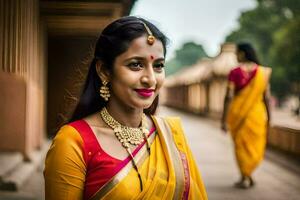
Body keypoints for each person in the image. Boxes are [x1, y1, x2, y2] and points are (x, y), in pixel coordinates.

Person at [44, 16, 207, 200]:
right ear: (104, 70)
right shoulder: (73, 142)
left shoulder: (170, 135)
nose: (151, 79)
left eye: (158, 66)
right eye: (136, 65)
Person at [221, 42, 271, 189]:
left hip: (238, 114)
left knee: (241, 146)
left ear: (242, 53)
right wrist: (270, 117)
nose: (236, 56)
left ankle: (245, 176)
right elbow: (266, 97)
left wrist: (223, 119)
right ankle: (247, 175)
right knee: (254, 146)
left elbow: (229, 96)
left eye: (236, 53)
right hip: (257, 114)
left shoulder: (235, 72)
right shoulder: (263, 72)